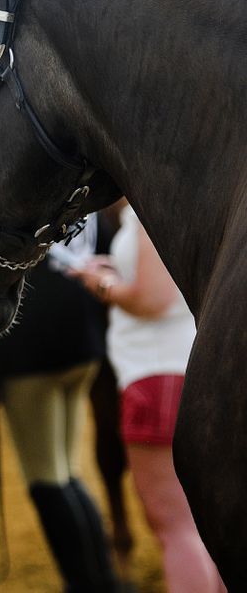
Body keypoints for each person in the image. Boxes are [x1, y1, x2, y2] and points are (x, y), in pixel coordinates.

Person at [71, 202, 224, 592]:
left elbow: (153, 299)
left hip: (155, 374)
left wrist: (101, 285)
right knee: (206, 528)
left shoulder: (148, 212)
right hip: (181, 368)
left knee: (175, 528)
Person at [0, 243, 121, 591]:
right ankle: (103, 577)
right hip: (82, 346)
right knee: (67, 474)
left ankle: (86, 584)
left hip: (30, 356)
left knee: (47, 483)